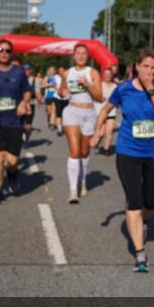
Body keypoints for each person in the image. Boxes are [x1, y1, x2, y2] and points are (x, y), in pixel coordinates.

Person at [91, 48, 154, 273]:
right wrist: (97, 132)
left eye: (153, 67)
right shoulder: (123, 88)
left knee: (150, 202)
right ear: (136, 66)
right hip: (128, 152)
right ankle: (140, 253)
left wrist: (150, 89)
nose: (149, 71)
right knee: (134, 201)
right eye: (145, 66)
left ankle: (143, 221)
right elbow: (105, 109)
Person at [0, 40, 32, 205]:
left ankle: (12, 174)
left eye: (7, 50)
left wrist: (23, 102)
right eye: (1, 50)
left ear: (11, 53)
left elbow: (27, 91)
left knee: (12, 161)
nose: (4, 53)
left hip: (15, 122)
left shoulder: (19, 72)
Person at [59, 43, 102, 203]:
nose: (81, 56)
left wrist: (87, 85)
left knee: (84, 152)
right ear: (73, 56)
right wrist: (62, 92)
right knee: (75, 151)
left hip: (89, 114)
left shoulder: (93, 72)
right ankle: (73, 191)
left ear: (88, 56)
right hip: (71, 112)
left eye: (84, 53)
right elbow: (61, 91)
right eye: (78, 53)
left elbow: (99, 97)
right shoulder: (67, 73)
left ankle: (82, 181)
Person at [94, 66, 119, 155]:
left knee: (109, 131)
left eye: (109, 74)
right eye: (105, 74)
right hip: (100, 112)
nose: (107, 76)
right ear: (102, 75)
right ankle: (95, 140)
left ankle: (106, 149)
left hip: (111, 112)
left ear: (112, 75)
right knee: (101, 133)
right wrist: (99, 97)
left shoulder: (115, 86)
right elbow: (93, 95)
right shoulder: (99, 85)